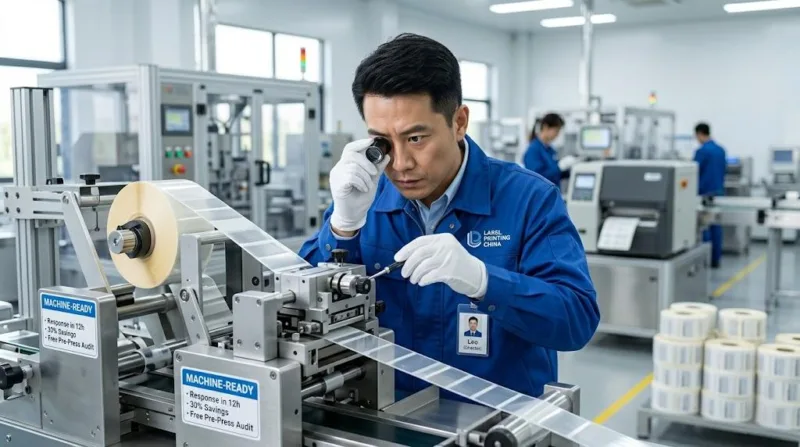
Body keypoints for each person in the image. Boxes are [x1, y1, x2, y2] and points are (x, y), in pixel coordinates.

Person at [300, 33, 599, 400]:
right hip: (389, 413)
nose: (401, 163)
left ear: (459, 122)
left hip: (497, 420)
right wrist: (342, 228)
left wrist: (484, 282)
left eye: (416, 138)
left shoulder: (529, 199)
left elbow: (576, 320)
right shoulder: (366, 197)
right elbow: (302, 304)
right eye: (382, 142)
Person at [693, 122, 727, 269]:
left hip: (704, 192)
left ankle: (705, 259)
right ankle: (716, 259)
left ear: (700, 134)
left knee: (704, 226)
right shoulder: (721, 150)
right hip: (718, 191)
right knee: (716, 225)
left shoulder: (702, 152)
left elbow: (693, 171)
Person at [522, 113, 576, 189]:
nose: (557, 134)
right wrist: (559, 167)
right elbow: (538, 177)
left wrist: (571, 170)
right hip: (540, 197)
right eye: (556, 131)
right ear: (546, 127)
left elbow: (555, 174)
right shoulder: (533, 151)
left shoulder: (550, 150)